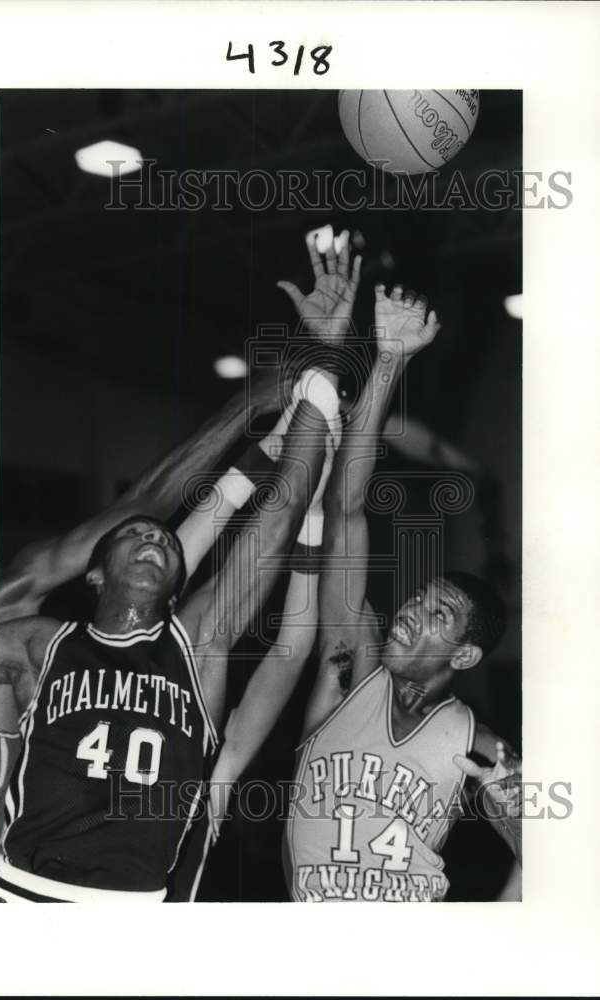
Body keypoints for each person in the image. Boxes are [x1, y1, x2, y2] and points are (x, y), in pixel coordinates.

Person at [210, 231, 522, 902]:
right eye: (419, 598)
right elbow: (348, 508)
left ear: (464, 656)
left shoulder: (474, 742)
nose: (411, 608)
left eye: (436, 613)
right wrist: (387, 361)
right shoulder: (355, 660)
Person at [0, 331, 343, 900]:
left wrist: (320, 383)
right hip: (17, 890)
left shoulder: (197, 651)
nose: (151, 537)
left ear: (179, 582)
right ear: (94, 573)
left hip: (135, 911)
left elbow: (274, 528)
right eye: (133, 534)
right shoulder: (39, 644)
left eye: (163, 541)